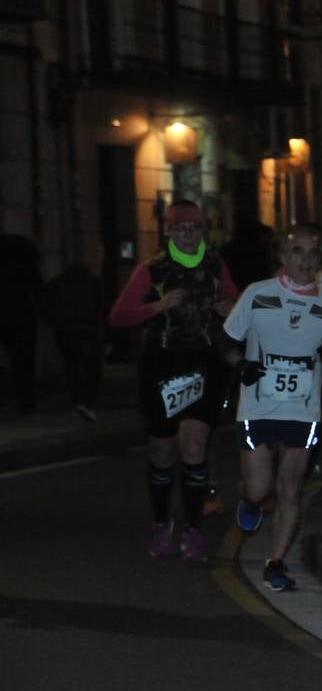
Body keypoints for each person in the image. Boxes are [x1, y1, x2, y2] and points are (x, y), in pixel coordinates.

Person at [222, 224, 322, 592]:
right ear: (283, 256)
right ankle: (249, 501)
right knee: (260, 489)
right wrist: (240, 364)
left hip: (303, 407)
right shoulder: (257, 295)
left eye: (313, 253)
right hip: (258, 405)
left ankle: (275, 561)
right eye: (298, 251)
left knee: (289, 488)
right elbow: (226, 340)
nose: (305, 259)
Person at [108, 201, 238, 561]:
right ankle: (161, 523)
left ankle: (194, 530)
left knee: (194, 446)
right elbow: (118, 316)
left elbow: (237, 300)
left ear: (203, 231)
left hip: (205, 361)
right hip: (161, 364)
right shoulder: (152, 269)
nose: (188, 235)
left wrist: (229, 307)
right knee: (163, 451)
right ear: (170, 232)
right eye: (181, 229)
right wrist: (158, 307)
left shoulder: (214, 263)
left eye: (194, 229)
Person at [41, 261, 105, 421]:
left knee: (72, 365)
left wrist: (53, 322)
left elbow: (47, 305)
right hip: (89, 327)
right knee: (92, 367)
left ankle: (78, 399)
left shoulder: (57, 284)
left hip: (66, 329)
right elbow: (104, 305)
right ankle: (89, 401)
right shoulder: (93, 282)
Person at [0, 233, 43, 415]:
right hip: (22, 315)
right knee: (24, 362)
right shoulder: (26, 264)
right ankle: (26, 402)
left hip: (6, 313)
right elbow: (38, 288)